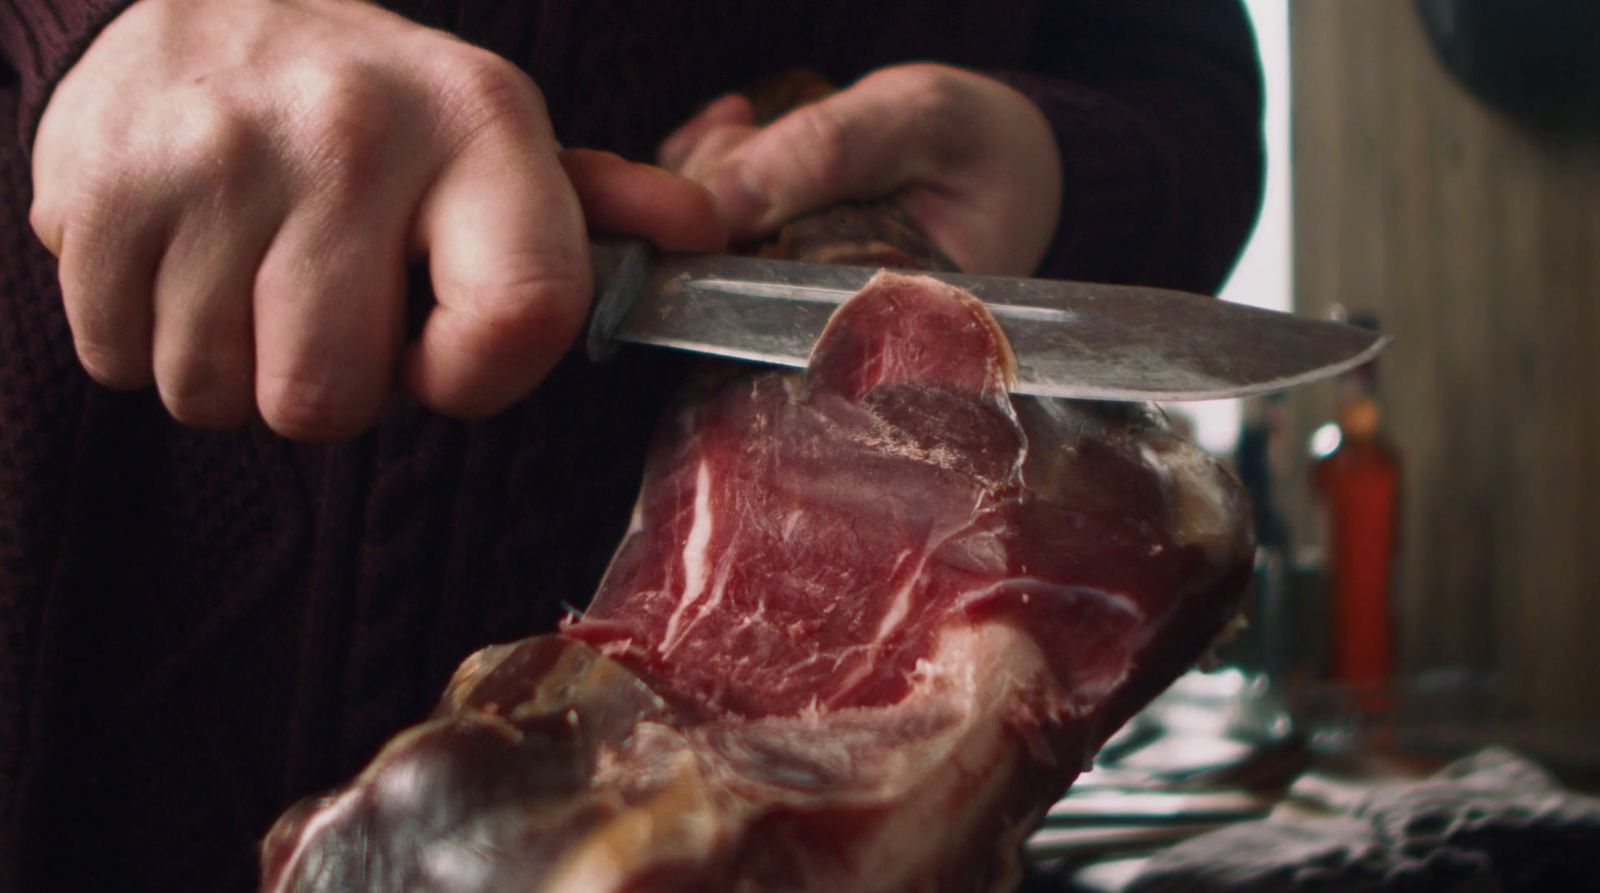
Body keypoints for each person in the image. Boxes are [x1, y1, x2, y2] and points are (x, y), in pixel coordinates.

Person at [0, 0, 1265, 889]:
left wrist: (1059, 157)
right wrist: (89, 30)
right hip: (81, 693)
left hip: (815, 763)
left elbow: (1182, 75)